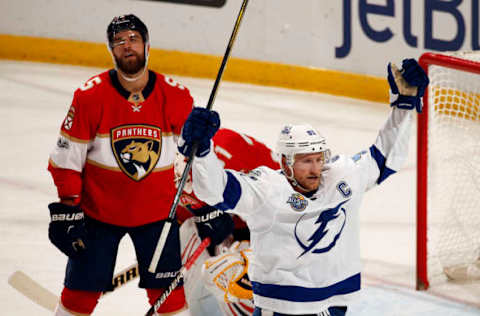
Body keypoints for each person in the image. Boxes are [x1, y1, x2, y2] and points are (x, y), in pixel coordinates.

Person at [177, 58, 429, 315]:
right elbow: (216, 190)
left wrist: (404, 106)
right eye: (306, 161)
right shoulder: (267, 189)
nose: (315, 168)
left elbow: (385, 157)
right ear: (285, 164)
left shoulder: (341, 177)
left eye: (319, 159)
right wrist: (202, 152)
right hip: (282, 308)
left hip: (332, 303)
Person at [47, 14, 194, 316]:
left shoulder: (176, 96)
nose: (127, 46)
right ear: (111, 50)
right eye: (119, 41)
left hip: (158, 215)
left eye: (134, 39)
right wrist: (68, 206)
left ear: (147, 46)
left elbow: (197, 157)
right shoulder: (90, 96)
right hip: (98, 214)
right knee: (79, 296)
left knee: (171, 300)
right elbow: (66, 159)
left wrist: (201, 138)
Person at [175, 127, 279, 316]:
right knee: (180, 245)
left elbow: (287, 214)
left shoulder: (227, 152)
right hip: (239, 227)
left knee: (234, 276)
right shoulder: (167, 172)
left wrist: (248, 254)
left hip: (275, 231)